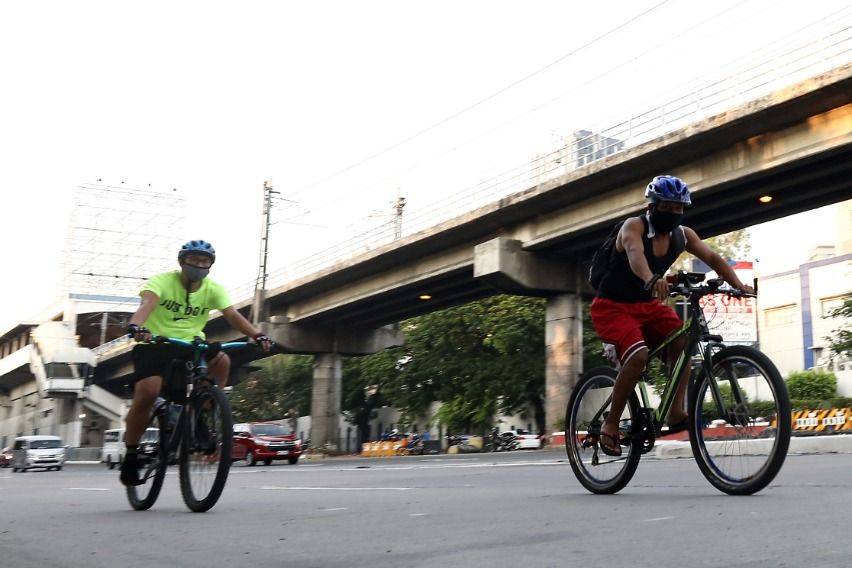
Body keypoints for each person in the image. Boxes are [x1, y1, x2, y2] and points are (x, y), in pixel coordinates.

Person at [591, 175, 754, 456]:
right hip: (613, 306)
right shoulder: (634, 227)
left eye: (680, 208)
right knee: (638, 355)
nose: (675, 213)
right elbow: (635, 255)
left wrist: (738, 285)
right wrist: (652, 278)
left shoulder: (683, 235)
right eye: (669, 207)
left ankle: (675, 411)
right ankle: (611, 423)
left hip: (647, 304)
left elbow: (713, 259)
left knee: (683, 342)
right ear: (654, 206)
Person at [120, 240, 271, 485]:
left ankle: (202, 413)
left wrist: (257, 335)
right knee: (147, 393)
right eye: (194, 260)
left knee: (222, 361)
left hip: (191, 345)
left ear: (211, 265)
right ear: (182, 261)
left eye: (205, 261)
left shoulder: (213, 288)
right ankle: (130, 454)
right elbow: (147, 304)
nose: (199, 265)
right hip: (156, 343)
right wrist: (136, 326)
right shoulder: (162, 281)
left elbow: (232, 314)